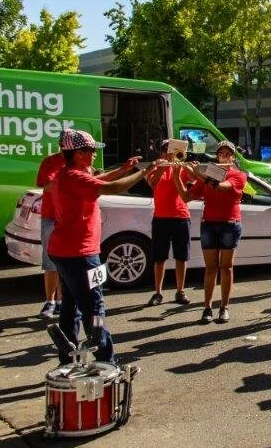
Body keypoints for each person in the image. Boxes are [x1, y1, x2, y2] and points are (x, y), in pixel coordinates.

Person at [48, 130, 146, 364]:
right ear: (79, 153)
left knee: (71, 307)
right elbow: (112, 188)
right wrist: (144, 172)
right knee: (95, 308)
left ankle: (68, 359)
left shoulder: (68, 174)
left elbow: (100, 181)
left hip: (66, 251)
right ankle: (106, 359)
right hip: (80, 254)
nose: (94, 155)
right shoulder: (75, 177)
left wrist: (124, 169)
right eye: (91, 151)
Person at [177, 140, 246, 324]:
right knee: (210, 267)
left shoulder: (238, 175)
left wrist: (197, 174)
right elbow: (186, 196)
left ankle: (224, 307)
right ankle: (207, 308)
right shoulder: (207, 174)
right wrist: (177, 174)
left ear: (233, 157)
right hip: (209, 224)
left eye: (228, 154)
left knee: (226, 267)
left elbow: (221, 186)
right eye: (221, 153)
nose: (224, 156)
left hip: (229, 224)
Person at [144, 141, 192, 307]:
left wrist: (185, 166)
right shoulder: (156, 167)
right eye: (165, 150)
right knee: (159, 258)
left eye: (171, 150)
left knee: (181, 256)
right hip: (161, 218)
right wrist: (162, 167)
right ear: (161, 152)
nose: (168, 153)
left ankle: (180, 291)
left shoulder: (181, 167)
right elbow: (152, 183)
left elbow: (193, 180)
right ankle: (158, 292)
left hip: (181, 216)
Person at [35, 149, 66, 318]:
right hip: (51, 216)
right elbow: (47, 187)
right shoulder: (50, 162)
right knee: (50, 261)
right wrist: (69, 181)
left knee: (66, 262)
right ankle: (50, 301)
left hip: (69, 218)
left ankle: (61, 301)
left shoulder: (80, 162)